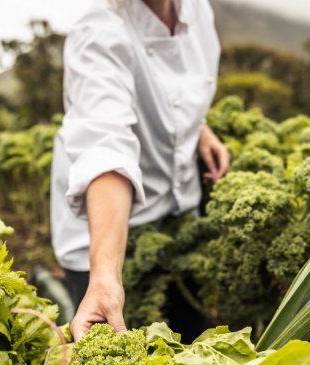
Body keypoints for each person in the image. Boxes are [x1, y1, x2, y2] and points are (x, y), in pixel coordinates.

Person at [50, 0, 230, 342]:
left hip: (177, 217)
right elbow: (106, 147)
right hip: (106, 231)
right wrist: (105, 277)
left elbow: (175, 86)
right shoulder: (99, 31)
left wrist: (197, 128)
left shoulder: (197, 10)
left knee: (191, 336)